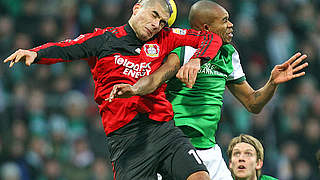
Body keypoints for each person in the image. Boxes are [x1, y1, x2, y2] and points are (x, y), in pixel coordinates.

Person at [3, 0, 225, 179]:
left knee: (199, 176)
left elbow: (211, 38)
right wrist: (37, 53)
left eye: (162, 22)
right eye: (154, 15)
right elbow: (68, 48)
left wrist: (197, 59)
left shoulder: (165, 38)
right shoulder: (104, 40)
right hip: (126, 140)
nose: (157, 25)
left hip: (163, 129)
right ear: (137, 8)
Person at [107, 1, 308, 179]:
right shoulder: (181, 49)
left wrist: (272, 82)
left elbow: (253, 103)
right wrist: (134, 89)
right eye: (225, 20)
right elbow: (154, 80)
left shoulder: (228, 54)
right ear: (206, 27)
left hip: (209, 149)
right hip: (174, 147)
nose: (231, 25)